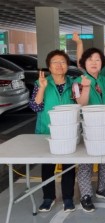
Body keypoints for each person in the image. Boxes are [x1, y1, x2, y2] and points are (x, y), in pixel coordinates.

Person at [73, 32, 105, 194]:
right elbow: (81, 103)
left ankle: (101, 188)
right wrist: (86, 88)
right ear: (84, 63)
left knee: (104, 160)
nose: (94, 63)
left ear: (102, 63)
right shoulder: (78, 81)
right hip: (89, 127)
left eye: (97, 60)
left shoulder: (104, 79)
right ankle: (86, 195)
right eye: (90, 60)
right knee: (86, 161)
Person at [29, 50, 76, 213]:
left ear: (67, 65)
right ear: (49, 66)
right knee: (47, 166)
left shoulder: (73, 83)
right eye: (55, 62)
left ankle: (68, 198)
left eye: (62, 62)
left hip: (69, 132)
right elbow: (35, 107)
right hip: (46, 131)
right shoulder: (40, 83)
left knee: (68, 166)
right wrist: (42, 88)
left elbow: (80, 104)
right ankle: (48, 197)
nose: (59, 65)